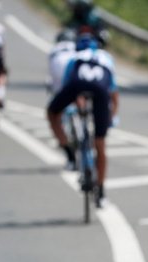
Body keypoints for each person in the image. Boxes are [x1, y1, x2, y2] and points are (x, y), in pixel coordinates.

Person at [46, 29, 118, 207]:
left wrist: (80, 107)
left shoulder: (75, 57)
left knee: (52, 112)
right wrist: (110, 119)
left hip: (77, 86)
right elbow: (113, 94)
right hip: (101, 91)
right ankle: (101, 192)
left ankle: (69, 153)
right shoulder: (106, 58)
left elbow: (68, 85)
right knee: (100, 143)